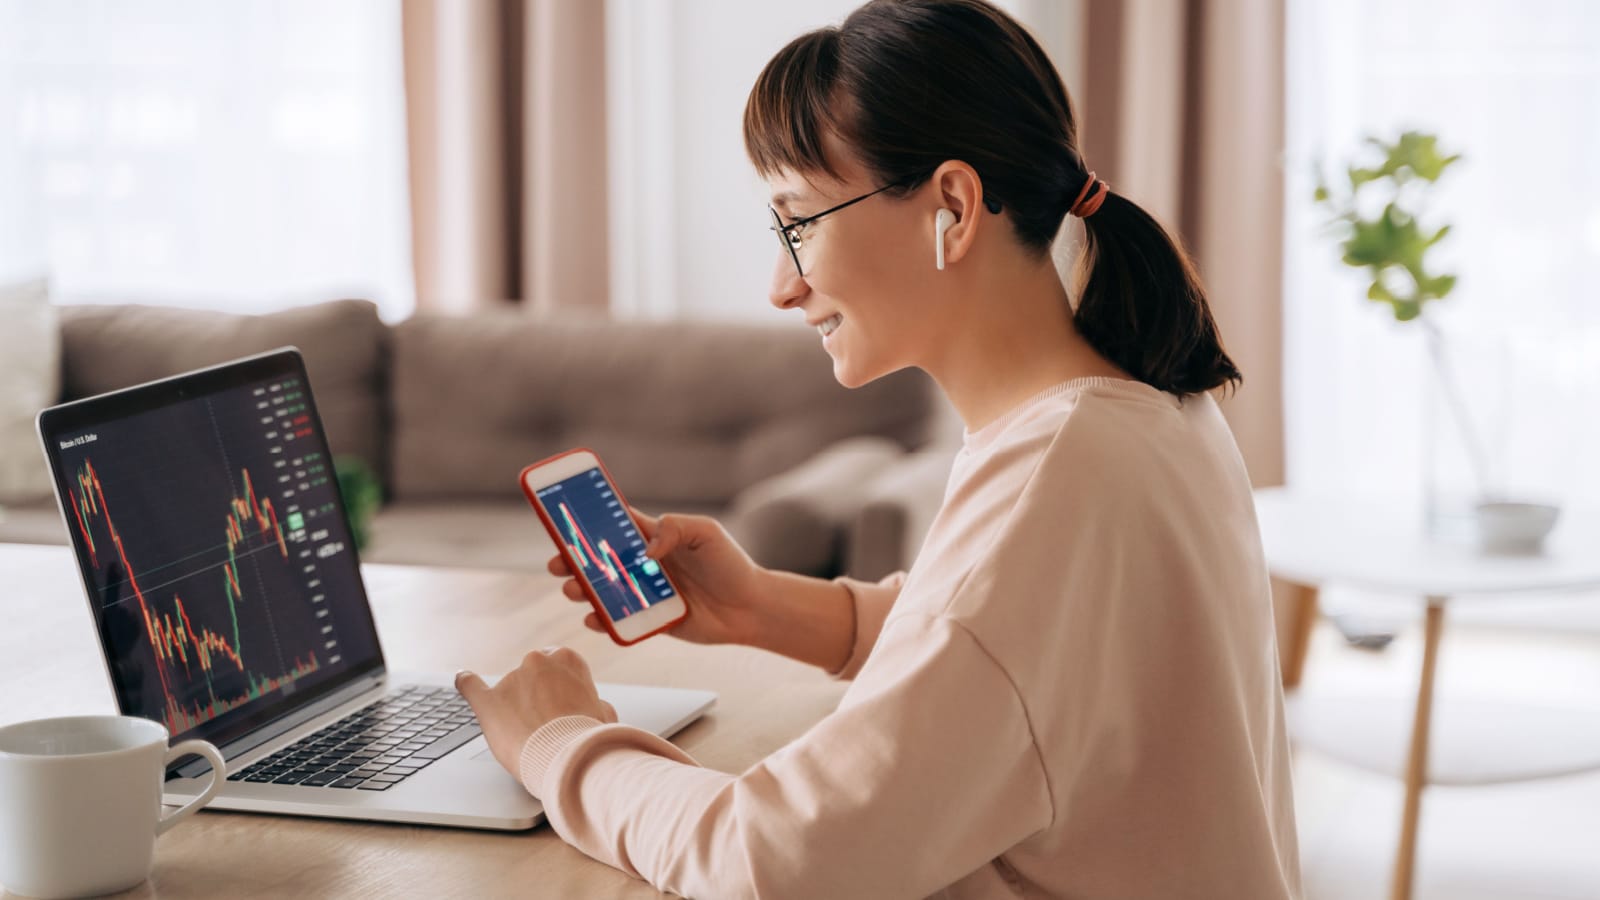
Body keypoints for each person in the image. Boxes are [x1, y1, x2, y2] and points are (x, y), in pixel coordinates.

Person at [454, 0, 1302, 896]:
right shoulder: (1142, 409)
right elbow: (1025, 658)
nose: (782, 286)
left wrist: (563, 744)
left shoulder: (1054, 481)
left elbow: (771, 861)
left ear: (952, 206)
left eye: (799, 223)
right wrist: (769, 610)